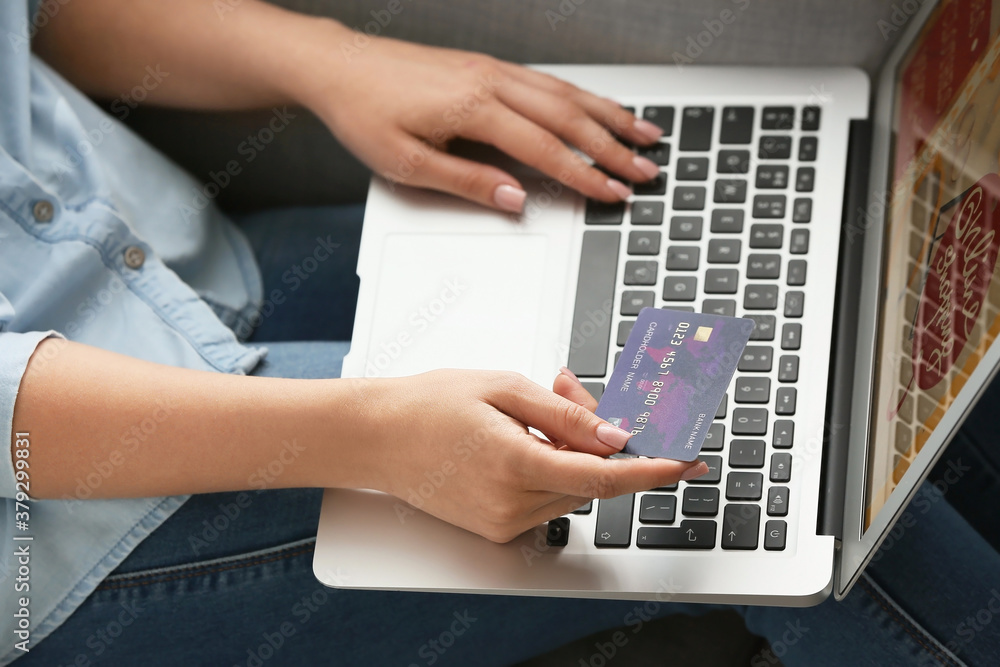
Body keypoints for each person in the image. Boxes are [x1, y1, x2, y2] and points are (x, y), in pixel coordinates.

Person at [2, 0, 999, 665]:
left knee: (820, 295)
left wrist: (338, 59)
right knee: (772, 502)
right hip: (71, 507)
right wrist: (374, 437)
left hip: (186, 264)